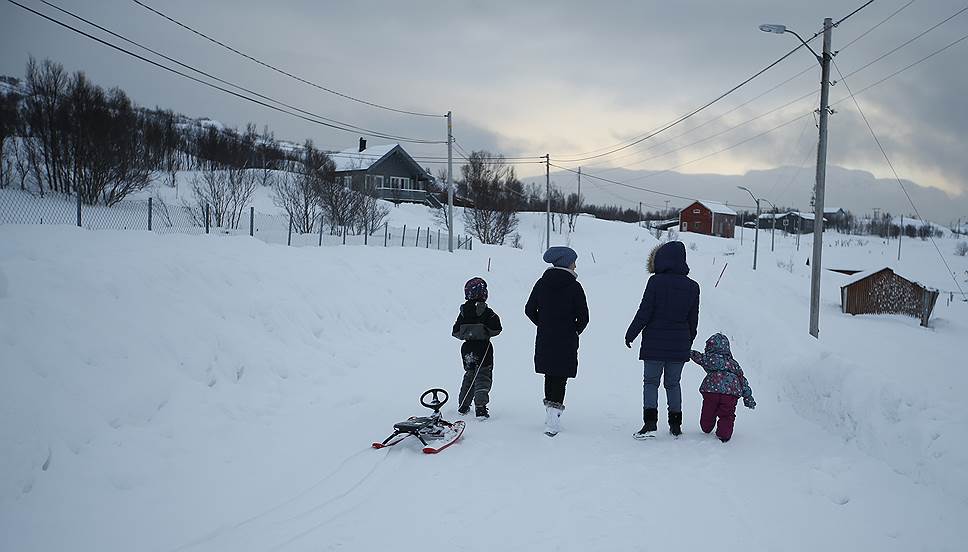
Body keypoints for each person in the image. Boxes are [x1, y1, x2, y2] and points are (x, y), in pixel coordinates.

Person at [625, 241, 699, 439]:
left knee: (650, 382)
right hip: (679, 344)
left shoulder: (655, 282)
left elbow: (644, 312)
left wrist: (631, 333)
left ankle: (650, 424)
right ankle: (675, 425)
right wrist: (687, 341)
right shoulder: (693, 287)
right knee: (673, 384)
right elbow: (693, 320)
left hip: (654, 344)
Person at [525, 246, 589, 437]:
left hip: (546, 336)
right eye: (574, 261)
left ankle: (550, 415)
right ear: (567, 262)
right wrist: (574, 330)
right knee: (560, 376)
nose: (576, 265)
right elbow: (584, 316)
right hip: (566, 338)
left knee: (549, 374)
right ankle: (553, 420)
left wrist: (543, 324)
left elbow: (529, 309)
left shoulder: (541, 283)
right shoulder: (575, 286)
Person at [690, 333, 756, 442]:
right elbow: (742, 380)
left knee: (708, 410)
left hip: (712, 390)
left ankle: (706, 427)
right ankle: (724, 434)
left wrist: (685, 351)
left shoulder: (710, 358)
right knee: (727, 414)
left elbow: (698, 357)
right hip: (731, 393)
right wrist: (748, 397)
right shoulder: (734, 364)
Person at [452, 277, 502, 419]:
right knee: (483, 376)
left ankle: (463, 404)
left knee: (470, 374)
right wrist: (483, 331)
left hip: (467, 347)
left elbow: (455, 331)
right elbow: (497, 328)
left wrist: (468, 331)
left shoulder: (463, 312)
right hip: (484, 347)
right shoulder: (486, 311)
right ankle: (480, 406)